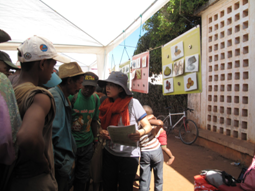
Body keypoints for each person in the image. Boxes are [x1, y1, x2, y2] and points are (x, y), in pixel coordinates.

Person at [7, 35, 70, 191]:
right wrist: (42, 162)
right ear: (42, 64)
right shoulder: (40, 96)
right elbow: (27, 137)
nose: (53, 72)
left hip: (11, 176)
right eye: (52, 65)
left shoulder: (9, 89)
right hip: (34, 181)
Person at [98, 71, 151, 191]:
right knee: (108, 186)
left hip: (129, 156)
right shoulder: (105, 104)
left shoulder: (133, 103)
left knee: (125, 187)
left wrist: (140, 133)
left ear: (121, 89)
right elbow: (101, 126)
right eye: (107, 85)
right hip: (109, 153)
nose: (108, 88)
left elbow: (148, 126)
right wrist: (101, 132)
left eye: (112, 85)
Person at [49, 62, 85, 191]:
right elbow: (53, 136)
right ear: (69, 81)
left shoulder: (64, 97)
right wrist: (61, 164)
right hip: (58, 166)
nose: (81, 87)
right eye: (79, 83)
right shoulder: (55, 98)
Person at [68, 72, 100, 191]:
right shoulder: (72, 97)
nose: (88, 90)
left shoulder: (96, 99)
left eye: (91, 87)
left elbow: (94, 121)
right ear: (81, 85)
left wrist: (95, 140)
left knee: (83, 177)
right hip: (72, 144)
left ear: (95, 87)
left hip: (87, 145)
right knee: (69, 176)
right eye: (86, 86)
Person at [139, 105, 164, 191]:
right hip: (156, 151)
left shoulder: (137, 122)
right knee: (159, 177)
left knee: (144, 178)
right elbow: (160, 123)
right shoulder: (152, 123)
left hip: (144, 152)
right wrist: (151, 118)